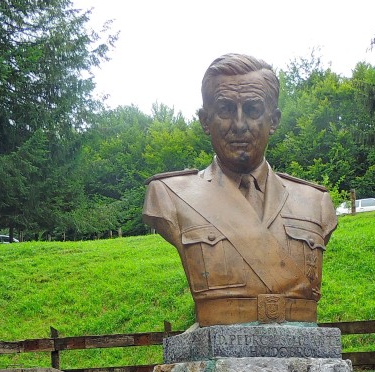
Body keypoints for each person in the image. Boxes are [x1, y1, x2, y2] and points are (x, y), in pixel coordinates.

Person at [143, 53, 337, 327]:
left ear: (274, 120)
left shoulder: (315, 202)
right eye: (225, 110)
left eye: (253, 109)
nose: (239, 124)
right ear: (205, 121)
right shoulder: (168, 195)